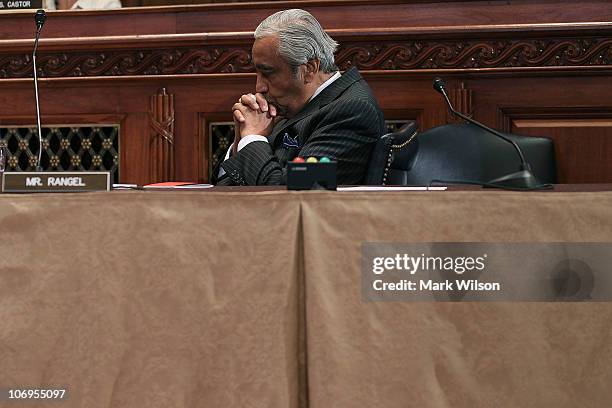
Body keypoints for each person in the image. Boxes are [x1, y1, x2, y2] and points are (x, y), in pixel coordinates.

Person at [216, 9, 384, 186]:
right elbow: (222, 186)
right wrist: (239, 142)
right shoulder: (292, 105)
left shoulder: (352, 111)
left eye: (268, 73)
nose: (259, 87)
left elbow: (289, 192)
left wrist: (251, 139)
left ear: (309, 69)